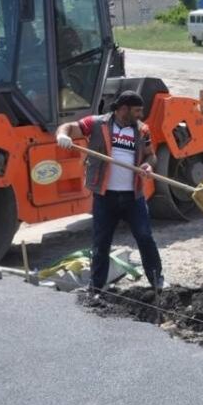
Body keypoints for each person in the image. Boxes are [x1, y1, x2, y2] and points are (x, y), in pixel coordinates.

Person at [56, 90, 165, 297]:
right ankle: (96, 288)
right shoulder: (97, 124)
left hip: (133, 197)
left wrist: (148, 166)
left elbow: (151, 157)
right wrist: (62, 135)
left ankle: (157, 280)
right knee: (101, 242)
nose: (140, 115)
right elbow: (69, 127)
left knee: (145, 237)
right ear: (123, 109)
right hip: (105, 197)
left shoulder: (142, 130)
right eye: (137, 110)